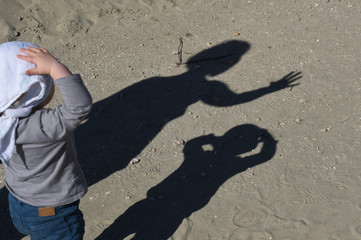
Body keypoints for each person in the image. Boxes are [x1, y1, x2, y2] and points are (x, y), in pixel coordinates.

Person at [0, 41, 92, 239]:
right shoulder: (44, 126)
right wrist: (55, 67)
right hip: (53, 213)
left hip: (18, 203)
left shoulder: (2, 125)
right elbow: (79, 106)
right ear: (36, 92)